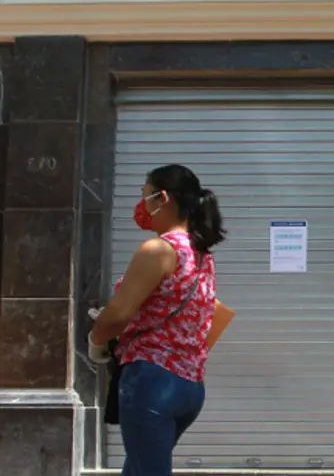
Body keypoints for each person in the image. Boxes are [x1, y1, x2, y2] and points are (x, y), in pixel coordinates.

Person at [89, 164, 227, 476]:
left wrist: (96, 340)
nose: (141, 206)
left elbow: (118, 315)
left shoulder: (157, 250)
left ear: (162, 198)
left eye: (145, 196)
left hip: (152, 382)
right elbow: (209, 310)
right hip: (189, 386)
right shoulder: (201, 253)